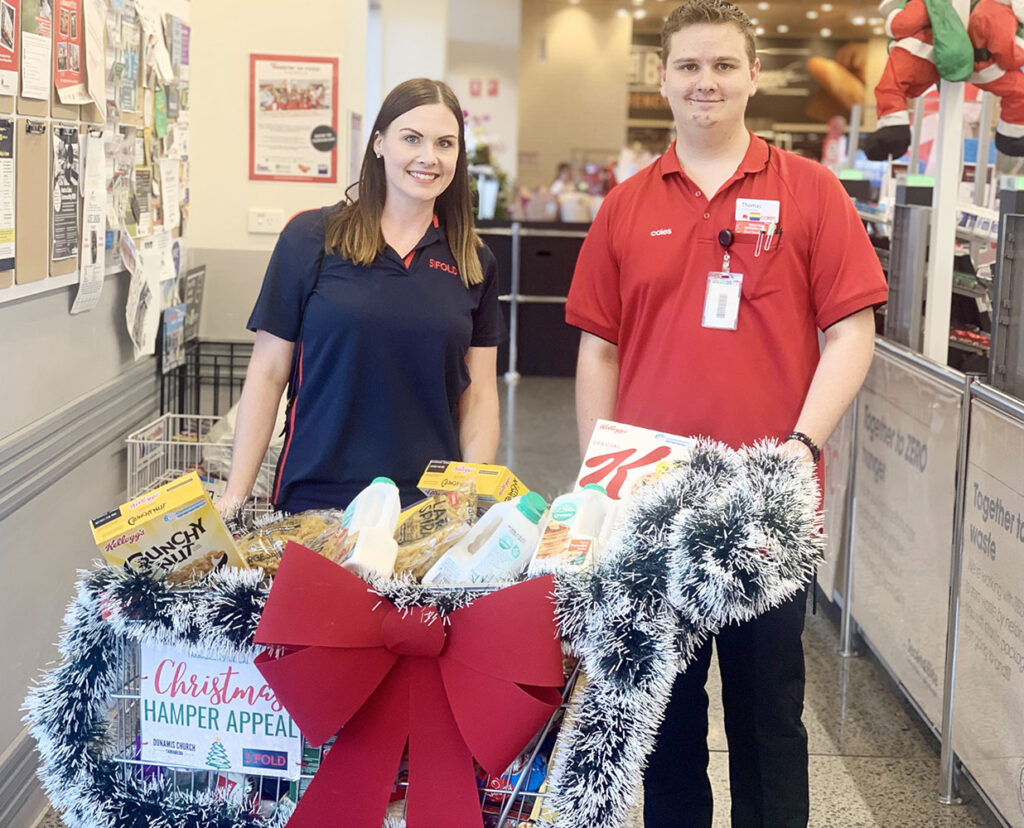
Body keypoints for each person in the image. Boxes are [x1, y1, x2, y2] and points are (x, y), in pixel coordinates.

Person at [564, 2, 888, 826]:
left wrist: (799, 445)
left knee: (767, 716)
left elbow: (853, 331)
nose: (704, 82)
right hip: (650, 500)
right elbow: (598, 349)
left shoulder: (811, 192)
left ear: (753, 77)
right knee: (664, 720)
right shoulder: (626, 206)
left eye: (722, 66)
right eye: (688, 67)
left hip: (767, 503)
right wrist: (599, 482)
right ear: (665, 80)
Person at [217, 78, 504, 517]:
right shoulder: (312, 238)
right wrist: (234, 496)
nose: (429, 157)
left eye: (445, 143)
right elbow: (269, 371)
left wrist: (464, 501)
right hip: (315, 499)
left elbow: (479, 394)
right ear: (379, 144)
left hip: (423, 508)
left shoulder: (473, 262)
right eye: (412, 138)